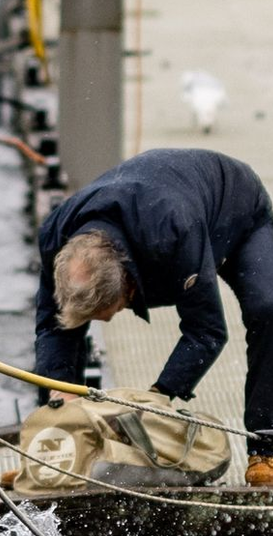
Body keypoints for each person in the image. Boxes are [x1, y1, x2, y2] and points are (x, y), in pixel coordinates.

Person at [33, 148, 273, 486]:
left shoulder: (175, 232)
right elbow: (52, 326)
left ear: (128, 287)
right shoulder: (55, 234)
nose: (106, 323)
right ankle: (69, 456)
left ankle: (266, 448)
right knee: (63, 352)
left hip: (236, 207)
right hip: (158, 200)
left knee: (268, 309)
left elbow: (206, 332)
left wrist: (155, 399)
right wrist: (60, 396)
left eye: (108, 313)